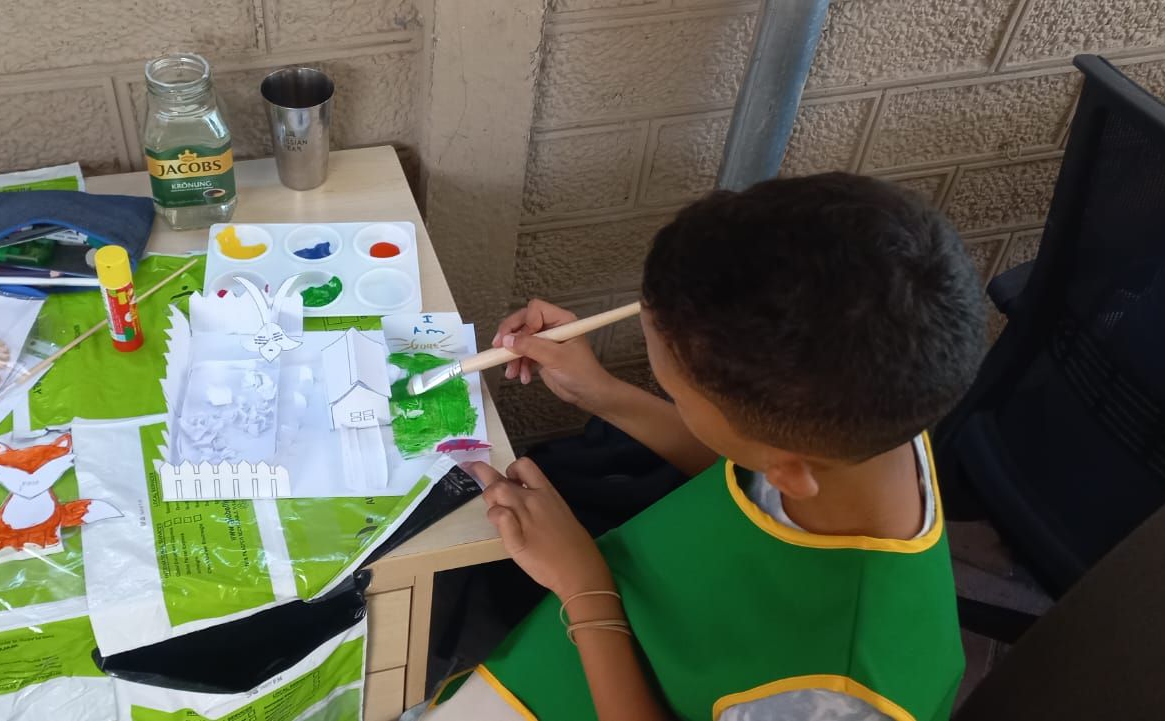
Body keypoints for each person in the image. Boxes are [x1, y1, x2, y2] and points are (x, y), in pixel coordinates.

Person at [415, 173, 988, 721]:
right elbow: (747, 468)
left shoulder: (839, 692)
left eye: (672, 390)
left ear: (787, 468)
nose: (665, 391)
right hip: (579, 649)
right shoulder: (873, 403)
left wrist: (584, 586)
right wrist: (603, 393)